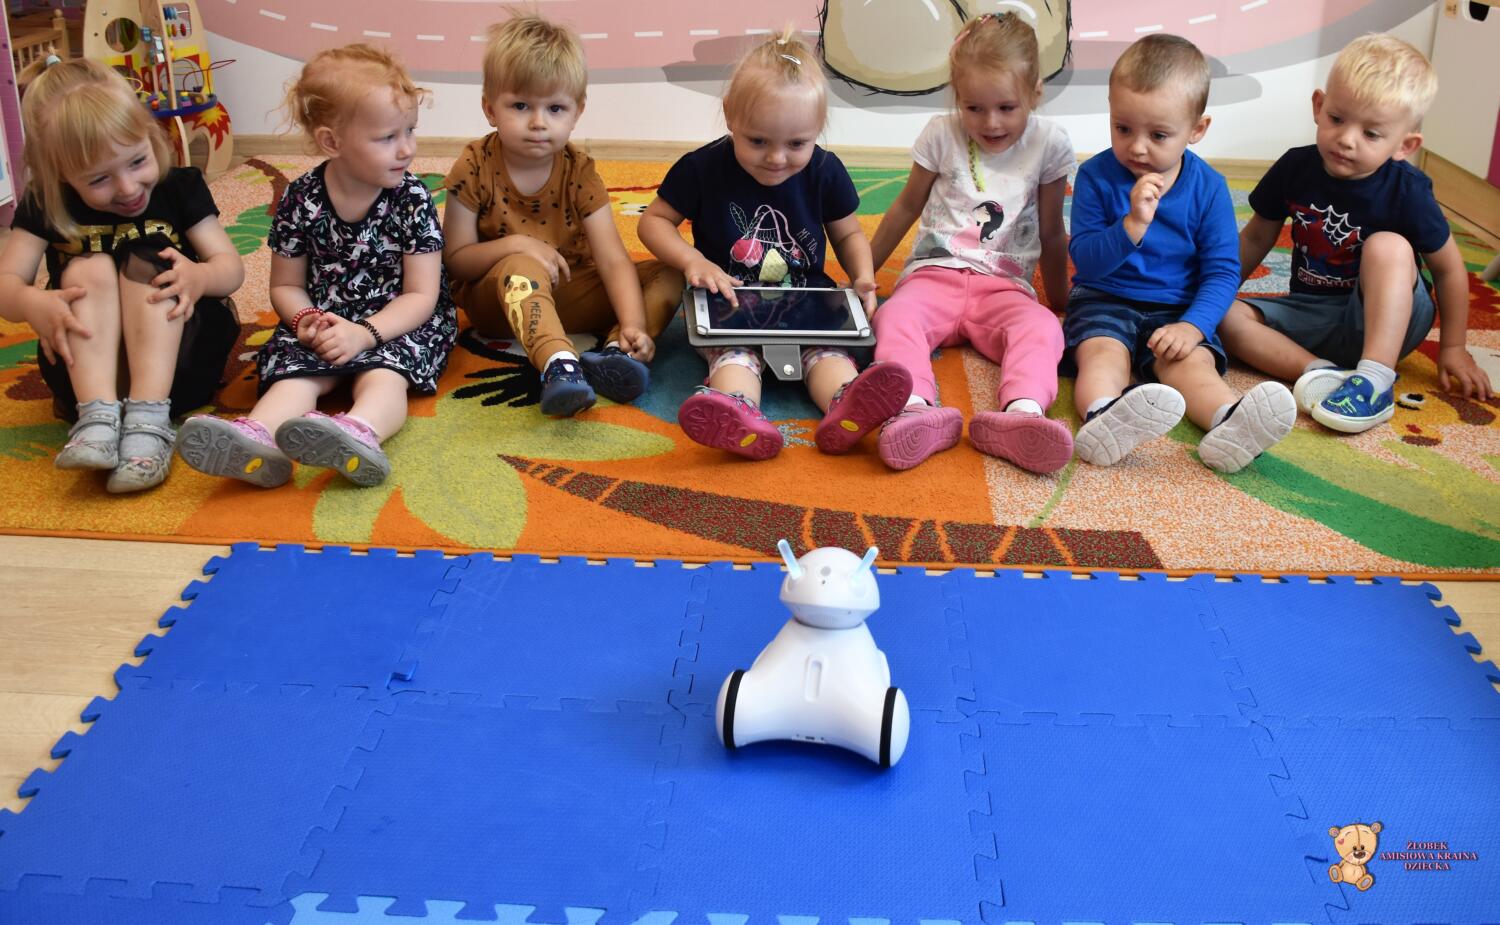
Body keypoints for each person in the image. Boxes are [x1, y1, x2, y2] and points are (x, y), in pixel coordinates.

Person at [176, 44, 456, 488]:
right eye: (388, 137)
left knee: (384, 375)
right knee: (295, 375)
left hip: (396, 321)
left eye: (410, 131)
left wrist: (365, 333)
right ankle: (257, 437)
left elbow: (422, 295)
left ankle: (360, 431)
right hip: (323, 321)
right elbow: (285, 285)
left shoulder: (412, 198)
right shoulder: (301, 197)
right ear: (331, 142)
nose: (407, 149)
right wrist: (305, 320)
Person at [638, 28, 910, 460]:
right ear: (730, 115)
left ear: (817, 129)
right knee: (735, 359)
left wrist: (862, 275)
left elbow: (848, 233)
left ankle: (846, 404)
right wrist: (692, 261)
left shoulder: (825, 170)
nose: (777, 158)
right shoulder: (701, 168)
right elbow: (653, 222)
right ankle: (737, 411)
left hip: (807, 304)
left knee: (828, 355)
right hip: (729, 305)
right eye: (758, 141)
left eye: (797, 143)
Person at [1222, 32, 1492, 433]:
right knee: (1225, 316)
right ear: (1319, 106)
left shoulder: (1407, 189)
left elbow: (1449, 270)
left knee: (1387, 246)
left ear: (1404, 145)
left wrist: (1453, 347)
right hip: (1312, 311)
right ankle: (1324, 375)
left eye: (1371, 134)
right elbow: (1256, 238)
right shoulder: (1295, 167)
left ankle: (1375, 379)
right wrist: (1210, 300)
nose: (1346, 140)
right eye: (1337, 119)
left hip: (1391, 318)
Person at [0, 58, 243, 493]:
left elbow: (231, 268)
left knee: (149, 260)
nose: (128, 188)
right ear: (60, 175)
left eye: (137, 162)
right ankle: (97, 419)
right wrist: (30, 302)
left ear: (152, 137)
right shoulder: (46, 201)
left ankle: (150, 421)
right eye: (99, 179)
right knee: (88, 267)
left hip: (180, 366)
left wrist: (200, 277)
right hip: (85, 378)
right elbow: (6, 286)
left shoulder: (178, 187)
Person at [1066, 33, 1294, 473]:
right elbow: (1087, 261)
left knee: (1193, 366)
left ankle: (1229, 421)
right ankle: (1102, 415)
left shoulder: (1209, 188)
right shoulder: (1095, 176)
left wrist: (1193, 326)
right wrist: (1131, 226)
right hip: (1103, 297)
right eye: (1123, 128)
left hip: (1177, 309)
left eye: (1158, 135)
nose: (1137, 146)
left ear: (1196, 130)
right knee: (1102, 354)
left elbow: (1223, 272)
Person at [442, 13, 683, 417]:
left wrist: (633, 323)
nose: (539, 122)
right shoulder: (473, 165)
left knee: (669, 272)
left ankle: (617, 352)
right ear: (490, 108)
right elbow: (456, 259)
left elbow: (612, 260)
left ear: (577, 111)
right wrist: (518, 245)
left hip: (568, 291)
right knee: (521, 262)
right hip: (499, 302)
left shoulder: (579, 171)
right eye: (521, 105)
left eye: (555, 108)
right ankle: (559, 364)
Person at [868, 12, 1073, 473]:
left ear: (1035, 93)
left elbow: (1051, 229)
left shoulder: (1050, 143)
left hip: (1003, 287)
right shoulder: (940, 134)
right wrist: (863, 275)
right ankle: (914, 409)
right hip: (932, 276)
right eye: (974, 107)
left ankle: (1022, 414)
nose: (991, 122)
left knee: (1044, 329)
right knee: (891, 317)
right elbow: (905, 207)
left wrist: (1059, 301)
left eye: (1007, 107)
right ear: (957, 96)